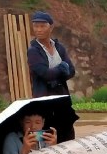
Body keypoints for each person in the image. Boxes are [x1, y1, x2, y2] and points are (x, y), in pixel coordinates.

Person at [27, 11, 76, 140]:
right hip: (44, 101)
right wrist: (61, 68)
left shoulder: (59, 48)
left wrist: (60, 72)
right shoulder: (33, 51)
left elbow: (71, 70)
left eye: (43, 26)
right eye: (36, 26)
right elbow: (45, 74)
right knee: (46, 137)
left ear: (51, 27)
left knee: (67, 136)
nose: (39, 30)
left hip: (62, 98)